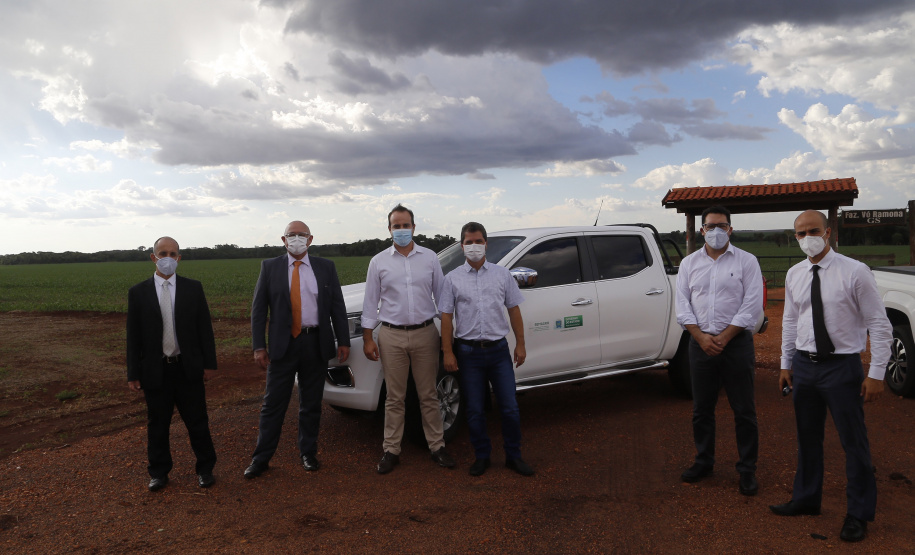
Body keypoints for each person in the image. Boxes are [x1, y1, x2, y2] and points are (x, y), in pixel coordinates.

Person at [769, 210, 892, 543]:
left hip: (842, 367)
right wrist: (785, 363)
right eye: (800, 233)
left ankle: (858, 514)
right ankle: (807, 499)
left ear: (828, 232)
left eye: (813, 231)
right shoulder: (795, 274)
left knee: (854, 443)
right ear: (794, 237)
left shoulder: (855, 272)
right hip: (805, 367)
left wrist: (877, 372)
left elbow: (879, 325)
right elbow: (791, 322)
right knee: (807, 439)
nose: (807, 237)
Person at [244, 221, 350, 478]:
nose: (296, 239)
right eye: (291, 235)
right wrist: (259, 346)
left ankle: (308, 453)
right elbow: (259, 311)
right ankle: (261, 458)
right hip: (283, 346)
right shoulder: (269, 268)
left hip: (315, 343)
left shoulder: (325, 267)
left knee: (311, 403)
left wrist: (344, 340)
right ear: (283, 239)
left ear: (310, 239)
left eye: (301, 234)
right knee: (273, 404)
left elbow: (337, 305)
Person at [675, 205, 763, 495]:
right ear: (701, 230)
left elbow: (752, 305)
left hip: (736, 344)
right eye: (710, 226)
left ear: (730, 229)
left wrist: (724, 337)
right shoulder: (688, 264)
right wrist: (700, 337)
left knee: (744, 410)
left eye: (721, 226)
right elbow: (682, 305)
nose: (716, 231)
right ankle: (704, 461)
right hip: (700, 344)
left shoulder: (747, 261)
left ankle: (747, 470)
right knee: (702, 409)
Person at [362, 204, 455, 473]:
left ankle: (437, 446)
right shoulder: (378, 261)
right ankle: (391, 450)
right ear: (389, 229)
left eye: (405, 225)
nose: (401, 230)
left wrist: (447, 337)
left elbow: (443, 298)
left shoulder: (429, 258)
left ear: (414, 227)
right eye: (396, 225)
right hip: (391, 336)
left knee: (428, 394)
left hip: (426, 333)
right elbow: (370, 303)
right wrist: (368, 339)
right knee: (394, 397)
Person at [440, 222, 533, 477]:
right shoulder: (452, 279)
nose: (473, 246)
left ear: (486, 243)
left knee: (510, 407)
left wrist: (521, 344)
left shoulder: (502, 275)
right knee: (474, 410)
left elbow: (514, 309)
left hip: (498, 351)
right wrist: (448, 352)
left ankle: (514, 456)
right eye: (468, 242)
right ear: (461, 246)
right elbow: (446, 318)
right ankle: (482, 456)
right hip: (468, 353)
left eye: (478, 241)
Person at [126, 236, 218, 491]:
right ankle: (158, 472)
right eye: (162, 253)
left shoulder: (193, 288)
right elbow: (133, 337)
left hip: (187, 368)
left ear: (179, 258)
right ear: (153, 257)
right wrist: (133, 372)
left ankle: (205, 469)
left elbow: (204, 330)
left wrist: (209, 364)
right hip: (155, 370)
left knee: (197, 421)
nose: (168, 258)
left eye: (173, 253)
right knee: (158, 424)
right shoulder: (138, 292)